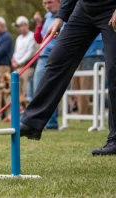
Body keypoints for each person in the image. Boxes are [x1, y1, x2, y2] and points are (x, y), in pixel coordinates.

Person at [20, 0, 116, 156]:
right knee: (57, 60)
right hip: (84, 8)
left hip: (111, 7)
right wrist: (60, 16)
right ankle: (32, 123)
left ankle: (115, 140)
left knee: (114, 71)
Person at [31, 0, 63, 129]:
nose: (47, 6)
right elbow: (39, 39)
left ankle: (51, 123)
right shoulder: (48, 16)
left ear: (59, 1)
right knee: (37, 90)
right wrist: (39, 25)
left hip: (55, 56)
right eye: (44, 3)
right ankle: (39, 121)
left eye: (50, 2)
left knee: (51, 90)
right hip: (42, 56)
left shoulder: (65, 16)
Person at [71, 34, 105, 115]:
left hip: (91, 55)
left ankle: (85, 114)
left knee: (86, 88)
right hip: (77, 55)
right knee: (76, 88)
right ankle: (81, 112)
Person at [11, 16, 36, 107]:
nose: (19, 28)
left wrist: (19, 62)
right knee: (17, 90)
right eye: (18, 26)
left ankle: (28, 109)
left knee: (27, 90)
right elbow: (16, 52)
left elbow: (30, 52)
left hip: (27, 67)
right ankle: (20, 109)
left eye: (21, 26)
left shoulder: (32, 36)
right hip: (18, 68)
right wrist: (14, 60)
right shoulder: (19, 38)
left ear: (26, 25)